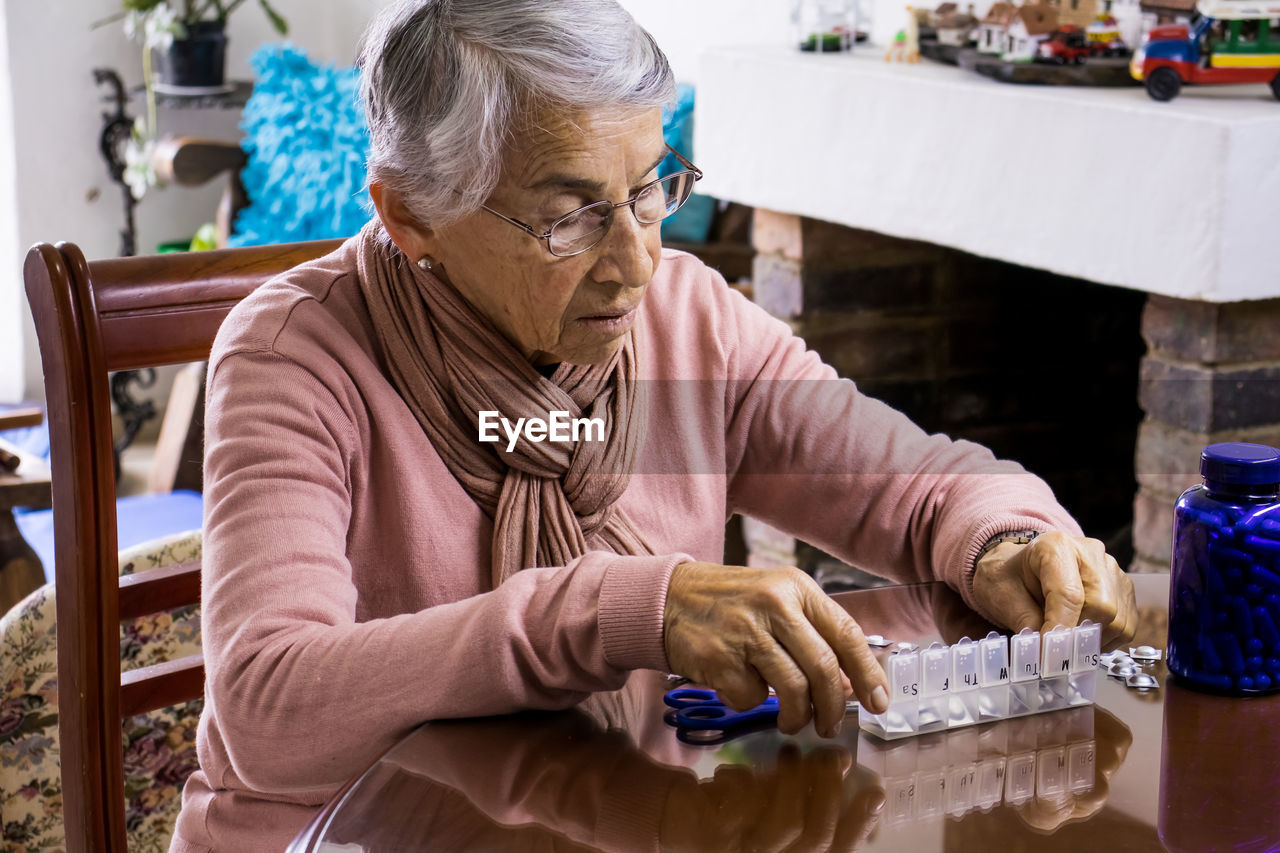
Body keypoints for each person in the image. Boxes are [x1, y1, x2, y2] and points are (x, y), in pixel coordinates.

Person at [170, 1, 1136, 849]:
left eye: (647, 187)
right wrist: (620, 609)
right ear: (411, 212)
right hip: (348, 833)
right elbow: (270, 705)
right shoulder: (295, 352)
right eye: (570, 215)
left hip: (618, 815)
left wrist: (1008, 537)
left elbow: (918, 484)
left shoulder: (687, 319)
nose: (635, 261)